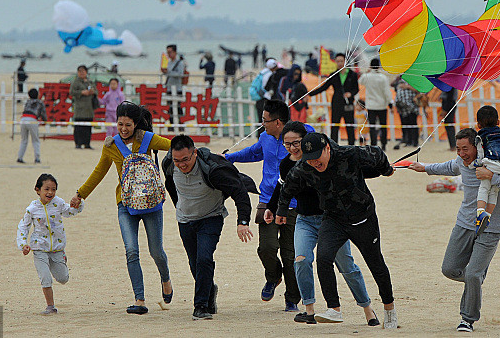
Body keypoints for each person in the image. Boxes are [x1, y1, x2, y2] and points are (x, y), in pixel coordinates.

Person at [276, 132, 399, 329]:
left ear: (327, 148)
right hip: (333, 219)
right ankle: (334, 309)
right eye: (310, 160)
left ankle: (389, 309)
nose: (315, 163)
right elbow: (288, 186)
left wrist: (386, 170)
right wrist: (281, 210)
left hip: (363, 218)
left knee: (376, 264)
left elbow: (377, 153)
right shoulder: (304, 167)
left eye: (317, 157)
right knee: (323, 258)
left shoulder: (348, 154)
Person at [407, 124, 500, 332]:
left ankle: (467, 319)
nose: (461, 154)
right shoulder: (460, 161)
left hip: (491, 226)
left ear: (476, 146)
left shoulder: (493, 163)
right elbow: (446, 167)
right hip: (464, 223)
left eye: (465, 149)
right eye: (458, 149)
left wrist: (491, 176)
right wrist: (423, 167)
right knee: (449, 269)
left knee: (473, 274)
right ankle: (475, 278)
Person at [70, 102, 173, 315]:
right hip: (125, 204)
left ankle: (165, 279)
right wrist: (80, 194)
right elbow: (99, 172)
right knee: (131, 251)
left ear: (136, 124)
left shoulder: (147, 138)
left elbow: (174, 146)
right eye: (120, 124)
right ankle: (140, 299)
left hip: (152, 204)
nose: (123, 128)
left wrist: (197, 153)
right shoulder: (111, 146)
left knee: (156, 252)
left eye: (128, 124)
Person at [161, 135, 255, 320]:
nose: (181, 165)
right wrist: (179, 207)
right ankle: (210, 289)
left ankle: (201, 306)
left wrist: (242, 222)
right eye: (177, 160)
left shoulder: (213, 169)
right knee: (194, 263)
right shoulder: (169, 165)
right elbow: (170, 185)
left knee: (204, 258)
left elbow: (239, 191)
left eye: (186, 160)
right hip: (185, 220)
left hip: (211, 217)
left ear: (194, 153)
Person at [224, 99, 302, 311]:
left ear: (278, 122)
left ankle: (292, 299)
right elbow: (253, 153)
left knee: (290, 254)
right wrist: (227, 158)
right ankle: (273, 276)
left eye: (265, 120)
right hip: (267, 201)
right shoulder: (266, 137)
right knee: (266, 248)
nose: (262, 124)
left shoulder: (300, 135)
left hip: (295, 202)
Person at [18, 173, 84, 315]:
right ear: (37, 190)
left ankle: (63, 260)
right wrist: (23, 244)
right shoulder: (32, 209)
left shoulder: (58, 203)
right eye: (47, 189)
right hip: (39, 248)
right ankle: (50, 307)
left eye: (53, 189)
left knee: (63, 279)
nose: (50, 193)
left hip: (57, 248)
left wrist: (78, 204)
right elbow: (24, 226)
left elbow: (70, 212)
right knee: (45, 278)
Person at [469, 107, 500, 236]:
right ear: (499, 122)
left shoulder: (481, 136)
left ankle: (480, 213)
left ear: (478, 124)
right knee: (494, 191)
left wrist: (474, 165)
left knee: (484, 188)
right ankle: (488, 217)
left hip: (492, 163)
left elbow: (481, 154)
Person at [307, 52, 359, 144]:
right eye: (338, 61)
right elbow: (324, 87)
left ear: (345, 61)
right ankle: (334, 146)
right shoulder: (333, 74)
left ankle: (352, 145)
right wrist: (309, 94)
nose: (339, 63)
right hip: (336, 103)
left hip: (348, 104)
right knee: (334, 127)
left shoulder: (352, 74)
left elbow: (356, 89)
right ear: (335, 62)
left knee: (350, 127)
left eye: (341, 61)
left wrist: (350, 94)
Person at [358, 58, 392, 149]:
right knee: (383, 125)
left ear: (370, 66)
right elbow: (387, 92)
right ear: (379, 66)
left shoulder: (367, 76)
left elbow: (360, 81)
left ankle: (373, 144)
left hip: (371, 105)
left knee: (372, 126)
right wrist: (390, 102)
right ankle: (384, 144)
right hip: (382, 105)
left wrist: (368, 71)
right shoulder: (383, 78)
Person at [69, 65, 97, 150]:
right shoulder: (76, 81)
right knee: (79, 127)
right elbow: (71, 92)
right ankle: (78, 143)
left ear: (86, 72)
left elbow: (96, 91)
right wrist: (81, 92)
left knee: (88, 127)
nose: (81, 73)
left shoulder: (90, 81)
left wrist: (92, 92)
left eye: (83, 71)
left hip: (89, 108)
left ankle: (87, 143)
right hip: (80, 108)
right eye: (80, 71)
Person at [18, 88, 48, 163]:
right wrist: (45, 121)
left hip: (23, 119)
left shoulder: (28, 102)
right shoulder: (40, 103)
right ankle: (37, 158)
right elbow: (43, 114)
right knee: (35, 140)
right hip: (32, 120)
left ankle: (20, 157)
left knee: (24, 140)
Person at [163, 44, 186, 126]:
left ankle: (181, 124)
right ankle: (171, 125)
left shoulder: (180, 63)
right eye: (167, 52)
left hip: (177, 88)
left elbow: (180, 74)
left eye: (170, 52)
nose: (169, 54)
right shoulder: (168, 63)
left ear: (175, 52)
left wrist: (169, 72)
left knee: (179, 107)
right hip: (169, 87)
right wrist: (165, 72)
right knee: (170, 108)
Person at [393, 78, 419, 149]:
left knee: (413, 125)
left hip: (412, 107)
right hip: (401, 108)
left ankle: (415, 142)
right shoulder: (399, 80)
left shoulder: (414, 79)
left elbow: (419, 90)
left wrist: (407, 87)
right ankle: (407, 141)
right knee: (405, 125)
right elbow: (391, 84)